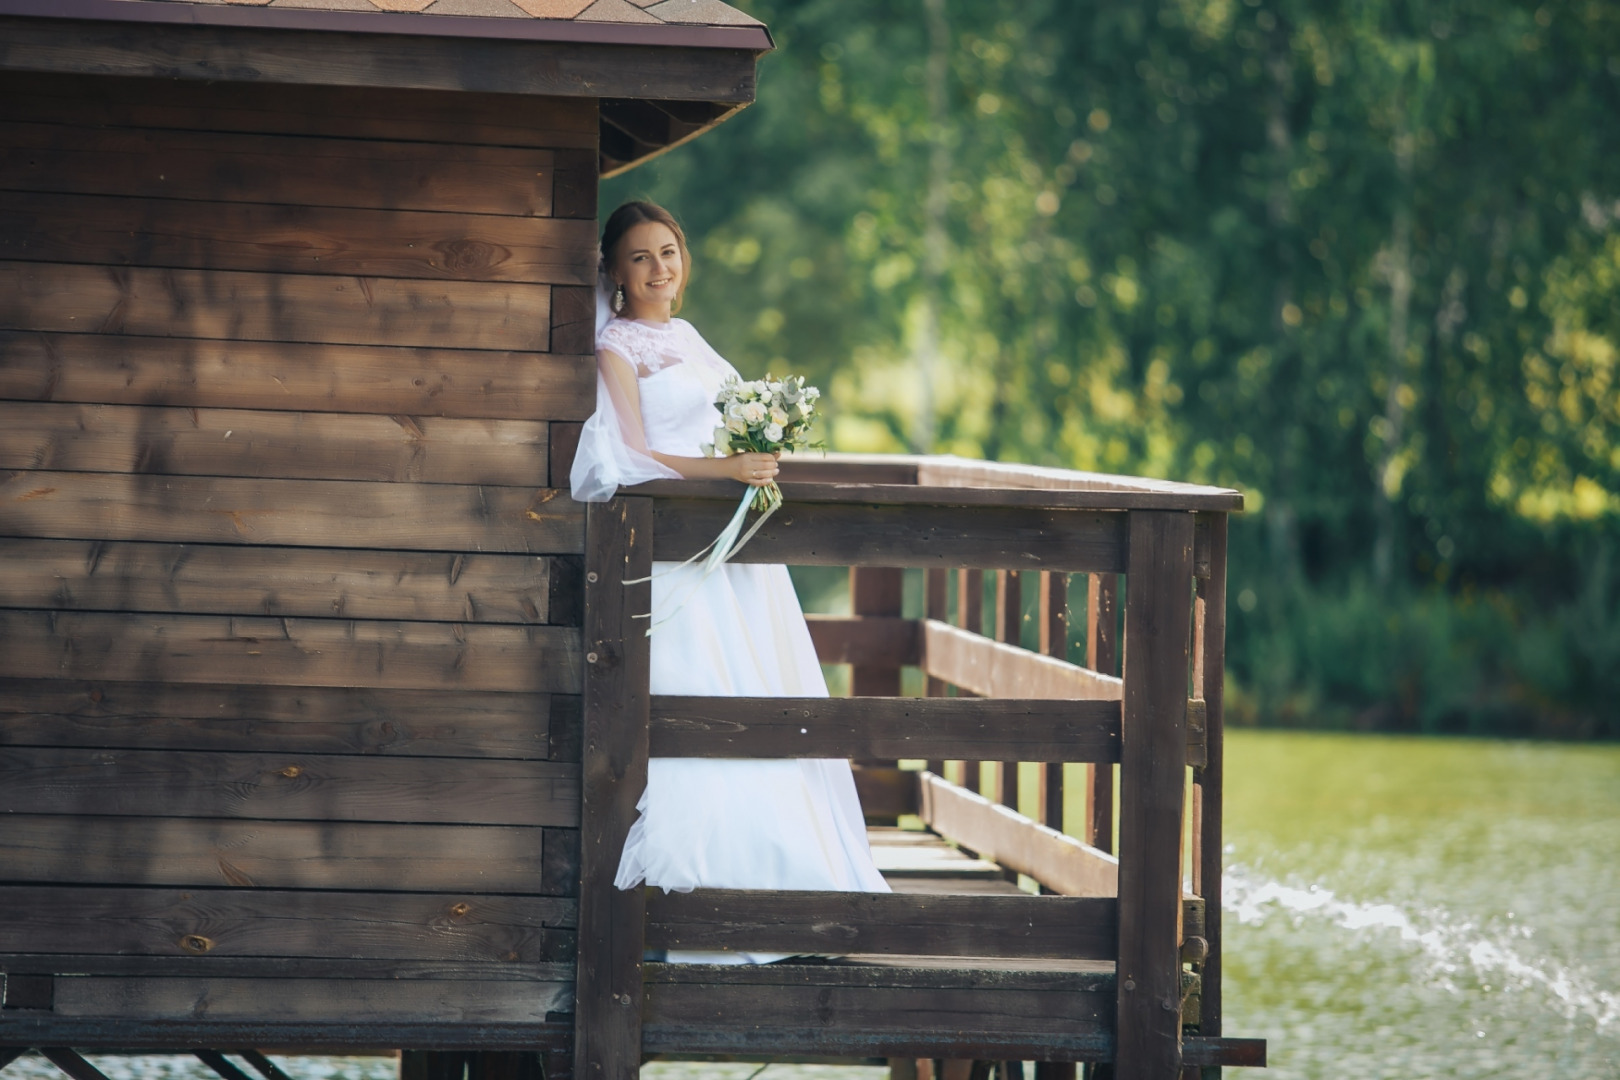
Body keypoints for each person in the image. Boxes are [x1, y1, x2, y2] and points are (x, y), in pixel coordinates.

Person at [570, 202, 889, 964]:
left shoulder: (686, 336)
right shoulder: (617, 347)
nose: (659, 269)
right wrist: (727, 470)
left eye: (670, 251)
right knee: (702, 697)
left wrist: (758, 445)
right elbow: (632, 452)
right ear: (614, 271)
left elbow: (719, 419)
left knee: (765, 688)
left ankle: (799, 868)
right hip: (678, 547)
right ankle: (710, 884)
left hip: (734, 545)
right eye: (641, 257)